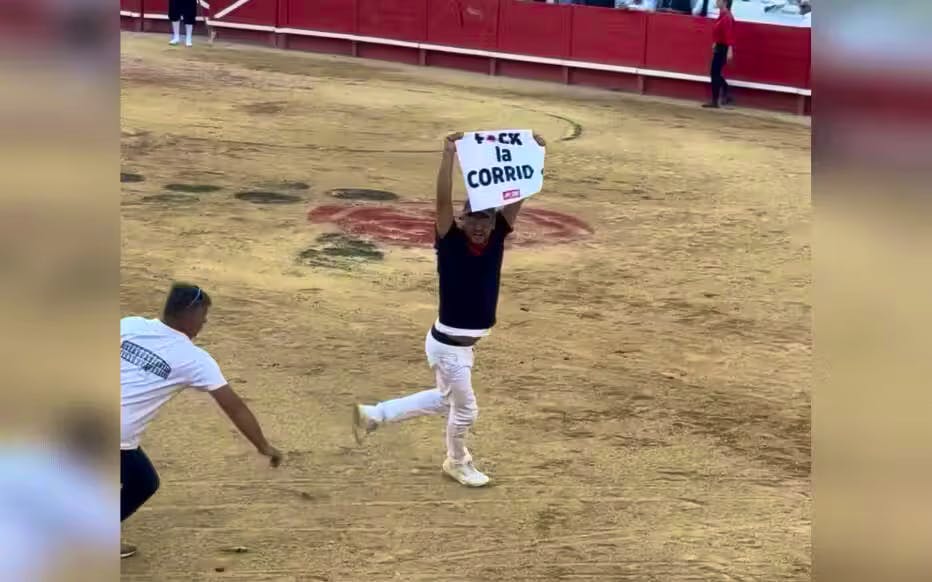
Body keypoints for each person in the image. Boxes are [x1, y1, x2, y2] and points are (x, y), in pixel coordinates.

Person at [353, 131, 546, 488]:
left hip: (458, 345)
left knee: (446, 403)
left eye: (486, 219)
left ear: (493, 222)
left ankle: (376, 414)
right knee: (466, 410)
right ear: (461, 220)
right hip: (449, 347)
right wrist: (447, 156)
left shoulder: (497, 237)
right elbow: (442, 200)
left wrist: (532, 154)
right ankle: (457, 461)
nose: (479, 226)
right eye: (472, 218)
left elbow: (518, 195)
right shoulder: (450, 240)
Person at [120, 283, 283, 558]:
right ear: (189, 313)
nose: (204, 323)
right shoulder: (195, 359)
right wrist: (263, 446)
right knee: (143, 482)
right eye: (204, 316)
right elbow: (235, 407)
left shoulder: (130, 325)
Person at [704, 0, 736, 108]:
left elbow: (729, 34)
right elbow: (720, 32)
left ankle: (715, 100)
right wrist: (715, 42)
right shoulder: (724, 15)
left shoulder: (727, 17)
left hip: (723, 48)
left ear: (725, 2)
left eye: (719, 0)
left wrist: (729, 49)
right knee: (715, 72)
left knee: (714, 73)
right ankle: (724, 92)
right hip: (720, 46)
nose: (716, 1)